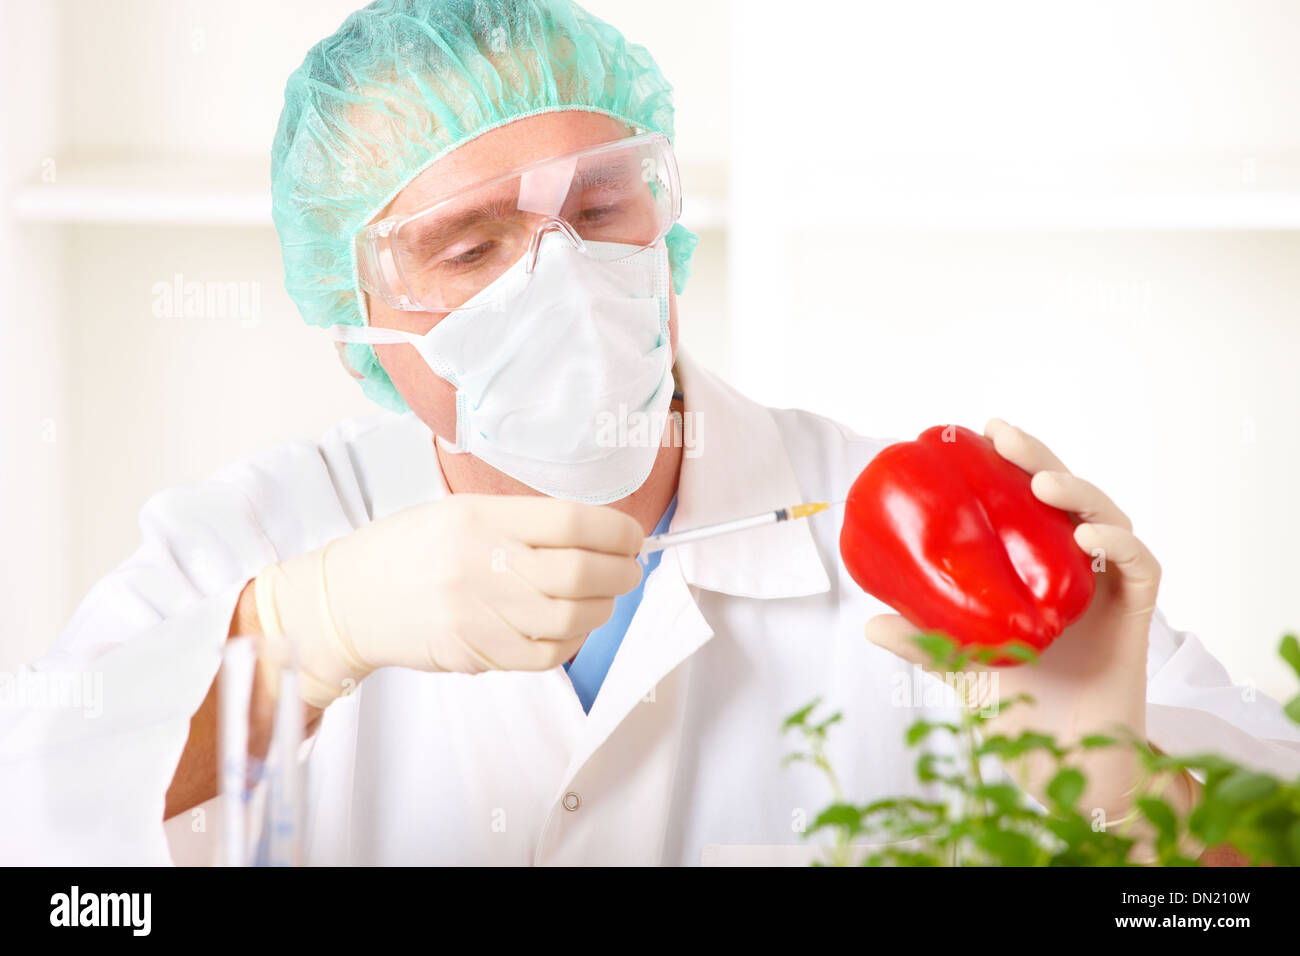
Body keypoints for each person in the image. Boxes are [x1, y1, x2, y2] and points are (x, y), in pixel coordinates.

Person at [3, 0, 1298, 866]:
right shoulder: (259, 545)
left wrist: (1114, 787)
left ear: (663, 221)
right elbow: (36, 819)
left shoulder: (940, 543)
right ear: (355, 315)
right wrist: (294, 640)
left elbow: (1254, 854)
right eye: (469, 244)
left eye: (603, 203)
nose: (558, 274)